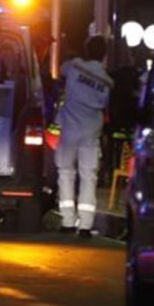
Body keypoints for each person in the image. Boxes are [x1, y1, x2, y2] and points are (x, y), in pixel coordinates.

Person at [57, 35, 112, 239]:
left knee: (66, 173)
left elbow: (61, 69)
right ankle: (86, 226)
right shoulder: (107, 81)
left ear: (87, 50)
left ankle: (67, 221)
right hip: (91, 132)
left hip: (70, 129)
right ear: (104, 54)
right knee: (89, 177)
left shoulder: (75, 66)